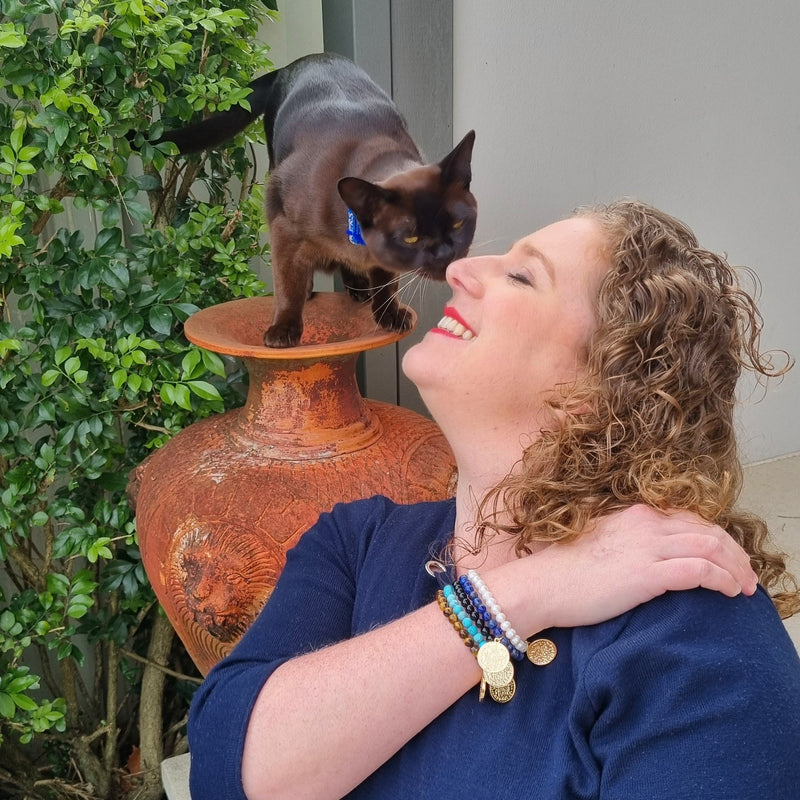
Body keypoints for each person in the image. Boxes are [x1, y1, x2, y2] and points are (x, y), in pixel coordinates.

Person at [187, 200, 800, 800]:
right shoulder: (358, 541)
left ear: (602, 383)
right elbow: (227, 771)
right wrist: (523, 595)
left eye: (521, 274)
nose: (457, 268)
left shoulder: (695, 630)